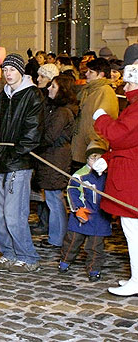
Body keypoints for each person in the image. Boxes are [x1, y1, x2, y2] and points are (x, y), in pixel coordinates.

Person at [0, 53, 43, 273]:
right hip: (0, 160)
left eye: (12, 70)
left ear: (21, 71)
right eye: (5, 70)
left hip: (19, 162)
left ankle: (28, 255)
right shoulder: (3, 97)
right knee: (1, 212)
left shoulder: (32, 95)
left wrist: (17, 153)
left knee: (14, 212)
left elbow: (33, 130)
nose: (8, 74)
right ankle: (9, 251)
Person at [93, 64, 138, 296]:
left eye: (129, 83)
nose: (125, 88)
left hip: (133, 178)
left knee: (133, 230)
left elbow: (119, 136)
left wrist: (101, 119)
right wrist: (107, 159)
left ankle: (137, 280)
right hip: (129, 171)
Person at [33, 74, 78, 249]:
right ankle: (56, 236)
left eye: (53, 86)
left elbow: (50, 136)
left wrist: (34, 141)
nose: (49, 89)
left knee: (55, 200)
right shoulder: (56, 109)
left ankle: (57, 238)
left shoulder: (63, 112)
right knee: (52, 198)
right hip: (51, 156)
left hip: (56, 158)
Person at [59, 146, 111, 282]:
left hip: (100, 216)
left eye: (99, 157)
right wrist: (78, 209)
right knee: (73, 240)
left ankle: (94, 269)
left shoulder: (108, 175)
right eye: (93, 157)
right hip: (83, 213)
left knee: (96, 245)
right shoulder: (80, 175)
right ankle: (65, 261)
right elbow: (73, 191)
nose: (96, 160)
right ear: (87, 158)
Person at [71, 58, 118, 172]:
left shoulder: (105, 91)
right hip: (82, 146)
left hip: (93, 149)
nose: (86, 74)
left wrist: (96, 145)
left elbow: (106, 120)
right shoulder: (89, 90)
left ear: (100, 74)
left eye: (90, 72)